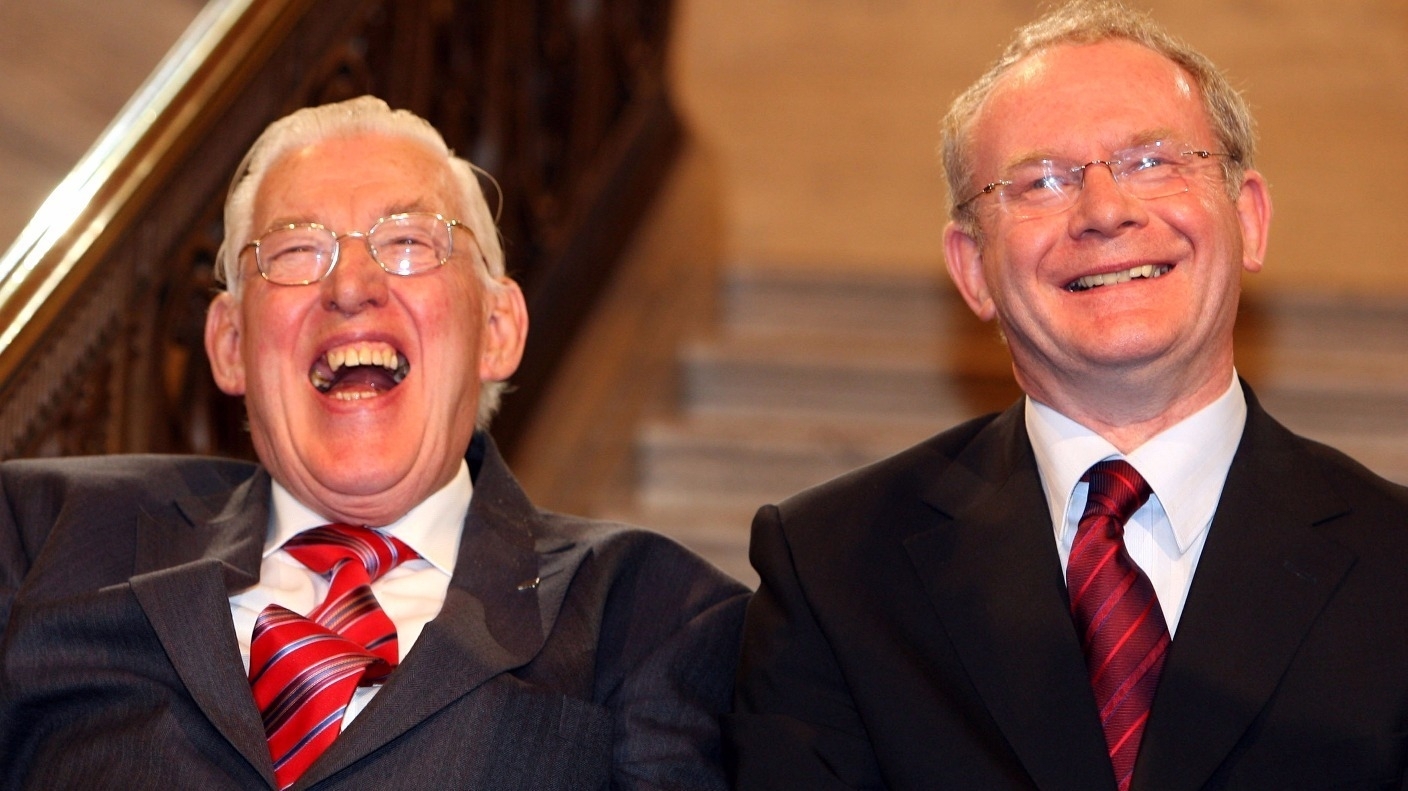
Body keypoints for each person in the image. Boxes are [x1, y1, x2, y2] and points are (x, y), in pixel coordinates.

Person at [727, 2, 1408, 789]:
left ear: (1249, 219)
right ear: (974, 269)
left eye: (1154, 160)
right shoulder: (830, 570)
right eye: (1040, 181)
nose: (1105, 210)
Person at [0, 96, 748, 790]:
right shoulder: (44, 535)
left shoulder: (654, 613)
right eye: (295, 250)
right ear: (229, 344)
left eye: (409, 242)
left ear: (498, 329)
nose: (352, 284)